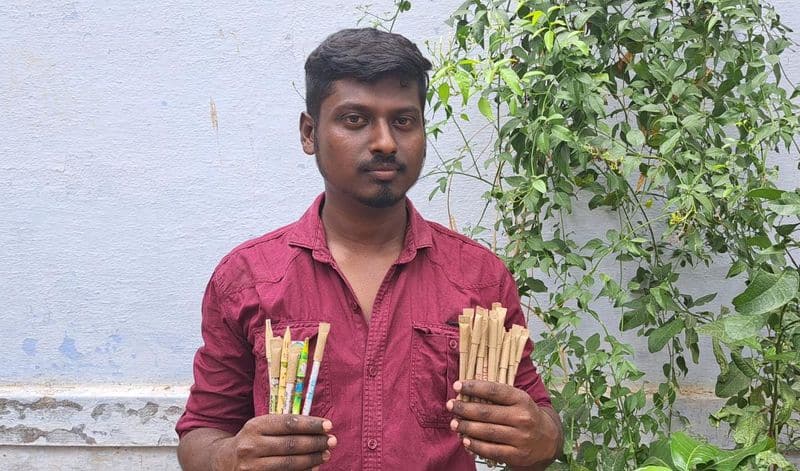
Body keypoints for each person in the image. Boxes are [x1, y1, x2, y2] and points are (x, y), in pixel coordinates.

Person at [176, 27, 563, 471]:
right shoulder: (247, 278)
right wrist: (228, 457)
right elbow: (203, 430)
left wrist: (540, 436)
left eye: (404, 120)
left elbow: (538, 420)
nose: (384, 142)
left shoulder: (478, 276)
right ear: (309, 133)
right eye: (355, 120)